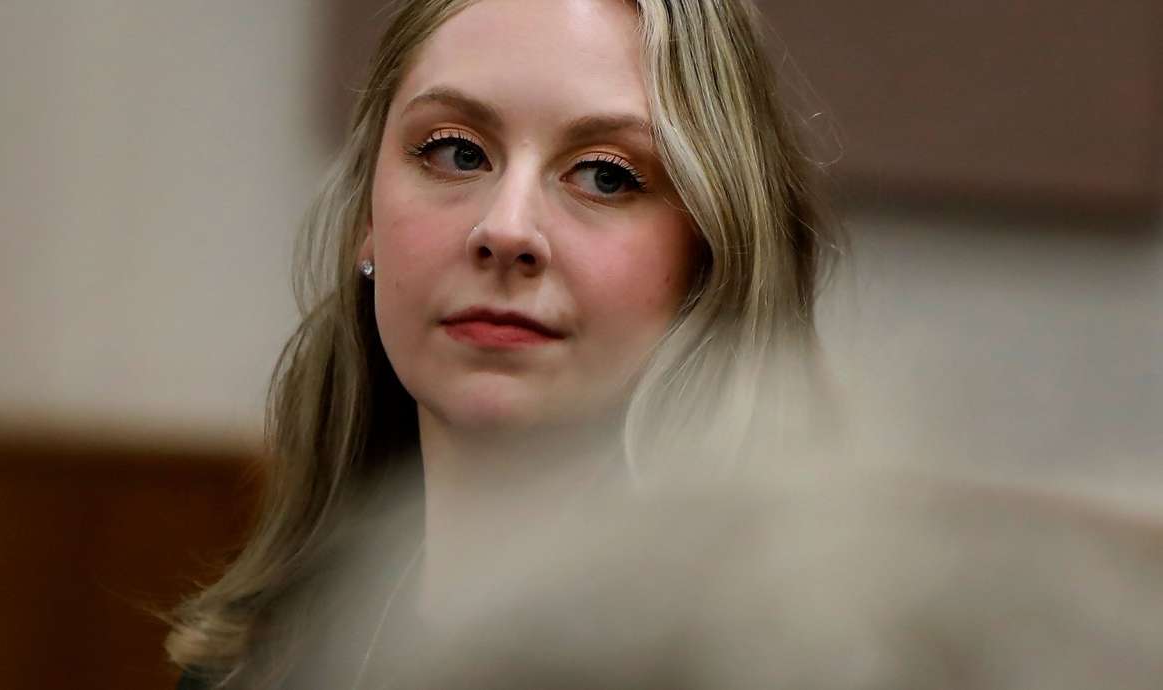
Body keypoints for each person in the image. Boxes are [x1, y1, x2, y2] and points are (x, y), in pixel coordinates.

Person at [167, 0, 833, 687]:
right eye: (456, 152)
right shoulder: (251, 670)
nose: (507, 229)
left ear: (714, 253)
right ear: (368, 217)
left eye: (605, 174)